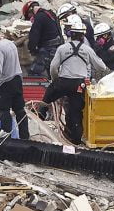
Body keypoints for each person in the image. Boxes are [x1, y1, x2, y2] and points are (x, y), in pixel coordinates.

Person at [46, 16, 108, 144]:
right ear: (82, 35)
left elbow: (53, 67)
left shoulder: (62, 48)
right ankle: (75, 139)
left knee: (47, 98)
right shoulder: (87, 49)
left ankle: (37, 116)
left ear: (70, 33)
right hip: (79, 85)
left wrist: (56, 81)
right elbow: (101, 66)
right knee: (75, 112)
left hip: (63, 81)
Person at [0, 25, 27, 138]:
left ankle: (6, 137)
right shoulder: (10, 43)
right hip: (17, 80)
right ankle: (25, 136)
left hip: (5, 83)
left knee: (4, 110)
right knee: (19, 110)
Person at [26, 0, 63, 77]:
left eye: (29, 16)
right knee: (52, 72)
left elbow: (34, 35)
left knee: (34, 72)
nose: (30, 18)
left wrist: (32, 49)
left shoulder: (39, 17)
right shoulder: (51, 14)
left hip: (48, 49)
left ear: (31, 10)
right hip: (57, 47)